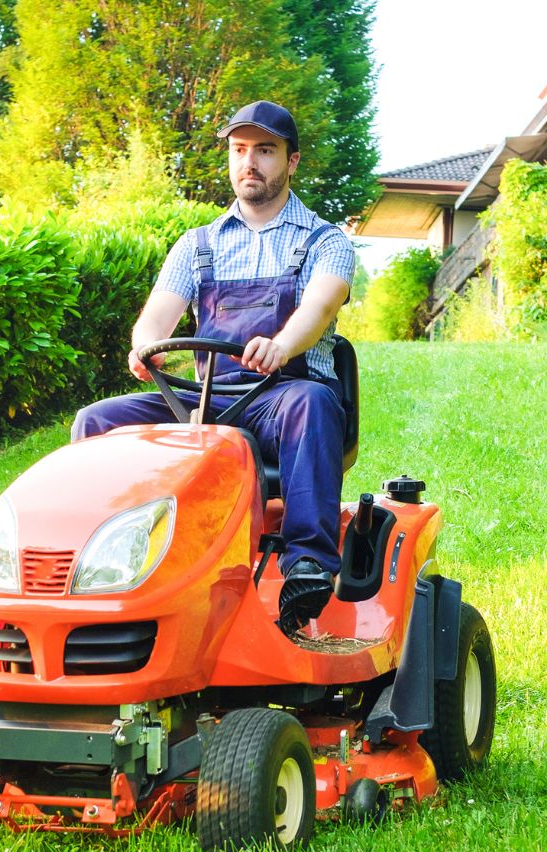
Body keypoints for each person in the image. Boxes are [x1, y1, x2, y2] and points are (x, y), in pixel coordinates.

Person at [71, 100, 355, 637]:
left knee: (314, 402)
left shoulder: (324, 240)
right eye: (240, 150)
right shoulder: (197, 244)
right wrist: (144, 346)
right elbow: (155, 316)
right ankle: (99, 571)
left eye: (265, 151)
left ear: (291, 162)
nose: (250, 162)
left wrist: (281, 343)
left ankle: (308, 564)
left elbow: (318, 308)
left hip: (281, 396)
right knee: (96, 423)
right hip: (206, 401)